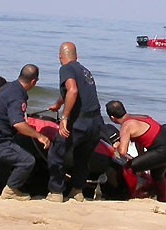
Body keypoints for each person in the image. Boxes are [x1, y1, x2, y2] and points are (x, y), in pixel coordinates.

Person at [0, 64, 51, 201]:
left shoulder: (9, 86)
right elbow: (18, 124)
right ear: (34, 82)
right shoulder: (17, 96)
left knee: (2, 162)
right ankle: (11, 190)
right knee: (27, 161)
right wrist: (39, 136)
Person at [46, 42, 103, 202]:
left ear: (59, 57)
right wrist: (58, 104)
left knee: (56, 154)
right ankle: (77, 191)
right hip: (96, 123)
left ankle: (56, 193)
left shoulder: (66, 68)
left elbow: (73, 90)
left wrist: (64, 117)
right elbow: (77, 91)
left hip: (80, 122)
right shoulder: (85, 70)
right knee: (82, 157)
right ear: (77, 56)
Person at [105, 100, 166, 203]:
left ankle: (130, 195)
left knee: (128, 168)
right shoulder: (140, 117)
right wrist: (141, 157)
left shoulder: (126, 126)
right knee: (157, 175)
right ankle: (164, 201)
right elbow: (140, 139)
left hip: (162, 150)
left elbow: (122, 151)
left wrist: (117, 145)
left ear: (112, 118)